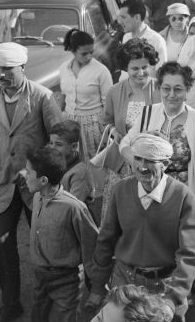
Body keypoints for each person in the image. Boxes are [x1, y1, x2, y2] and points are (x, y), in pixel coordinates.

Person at [0, 42, 63, 322]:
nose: (1, 74)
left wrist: (45, 178)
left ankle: (52, 300)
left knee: (45, 244)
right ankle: (10, 303)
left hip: (35, 188)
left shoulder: (42, 97)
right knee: (1, 247)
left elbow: (59, 143)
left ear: (22, 68)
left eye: (7, 69)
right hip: (1, 185)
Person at [88, 133, 195, 322]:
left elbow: (189, 254)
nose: (141, 166)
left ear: (166, 164)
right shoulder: (121, 190)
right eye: (138, 159)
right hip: (125, 279)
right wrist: (96, 286)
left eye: (150, 160)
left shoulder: (183, 197)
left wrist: (172, 298)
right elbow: (106, 239)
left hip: (165, 284)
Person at [25, 146, 98, 322]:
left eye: (28, 172)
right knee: (39, 307)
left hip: (66, 277)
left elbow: (92, 243)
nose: (25, 175)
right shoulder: (38, 196)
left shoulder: (74, 208)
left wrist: (97, 285)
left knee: (66, 321)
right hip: (40, 271)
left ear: (43, 180)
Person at [119, 62, 195, 218]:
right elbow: (124, 145)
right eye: (166, 88)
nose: (171, 94)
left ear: (187, 90)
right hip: (146, 195)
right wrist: (138, 164)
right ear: (159, 88)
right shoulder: (147, 113)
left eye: (178, 89)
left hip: (182, 198)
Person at [101, 39, 161, 220]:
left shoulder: (161, 88)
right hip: (122, 162)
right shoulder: (114, 91)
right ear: (125, 68)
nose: (141, 72)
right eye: (135, 68)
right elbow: (106, 121)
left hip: (153, 162)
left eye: (145, 67)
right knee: (118, 216)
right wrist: (114, 132)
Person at [59, 29, 112, 161]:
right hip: (69, 123)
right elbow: (64, 97)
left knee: (94, 161)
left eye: (91, 52)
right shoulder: (63, 68)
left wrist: (107, 130)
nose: (89, 56)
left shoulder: (101, 70)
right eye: (84, 54)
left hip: (93, 125)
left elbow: (109, 103)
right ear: (73, 51)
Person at [118, 0, 167, 74]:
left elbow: (162, 73)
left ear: (137, 17)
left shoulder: (156, 40)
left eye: (123, 17)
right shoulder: (126, 37)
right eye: (120, 18)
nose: (120, 22)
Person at [48, 120, 92, 204]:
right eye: (51, 143)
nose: (52, 148)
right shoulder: (53, 162)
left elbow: (73, 206)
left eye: (58, 144)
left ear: (74, 146)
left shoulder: (79, 173)